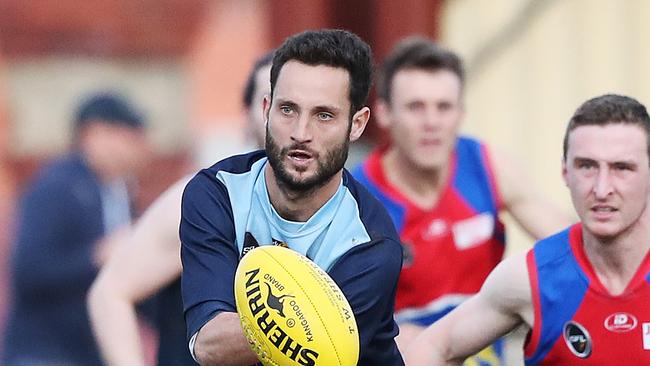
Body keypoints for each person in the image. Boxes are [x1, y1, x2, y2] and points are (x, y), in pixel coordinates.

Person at [181, 29, 404, 365]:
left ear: (356, 125)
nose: (301, 133)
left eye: (324, 115)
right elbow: (210, 345)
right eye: (288, 110)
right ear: (267, 109)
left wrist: (258, 327)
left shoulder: (371, 243)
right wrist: (304, 321)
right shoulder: (219, 193)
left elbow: (321, 356)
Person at [352, 36, 570, 363]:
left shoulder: (487, 166)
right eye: (415, 107)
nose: (432, 123)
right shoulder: (356, 198)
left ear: (461, 113)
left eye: (444, 107)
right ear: (383, 114)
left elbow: (576, 249)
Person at [404, 93, 650, 365]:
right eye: (587, 166)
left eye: (622, 168)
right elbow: (433, 347)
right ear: (565, 172)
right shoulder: (529, 278)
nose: (602, 189)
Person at [87, 52, 274, 366]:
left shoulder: (348, 210)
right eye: (274, 102)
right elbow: (109, 293)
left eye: (316, 110)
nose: (293, 121)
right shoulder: (201, 200)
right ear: (247, 116)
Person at [3, 92, 149, 366]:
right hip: (44, 352)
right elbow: (29, 271)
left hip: (93, 353)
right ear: (94, 134)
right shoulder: (56, 186)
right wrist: (97, 256)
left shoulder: (120, 191)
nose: (138, 146)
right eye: (128, 135)